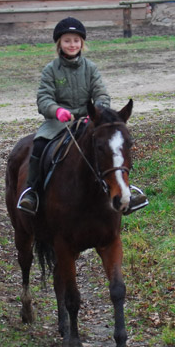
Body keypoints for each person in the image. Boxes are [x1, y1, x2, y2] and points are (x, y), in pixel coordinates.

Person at [17, 17, 148, 215]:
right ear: (59, 44)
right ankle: (32, 192)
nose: (72, 44)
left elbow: (101, 94)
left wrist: (98, 112)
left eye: (76, 40)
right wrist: (56, 110)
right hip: (58, 123)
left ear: (82, 43)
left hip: (89, 120)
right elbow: (43, 98)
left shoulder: (90, 68)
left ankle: (126, 189)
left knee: (112, 146)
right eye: (67, 40)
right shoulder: (51, 70)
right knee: (39, 145)